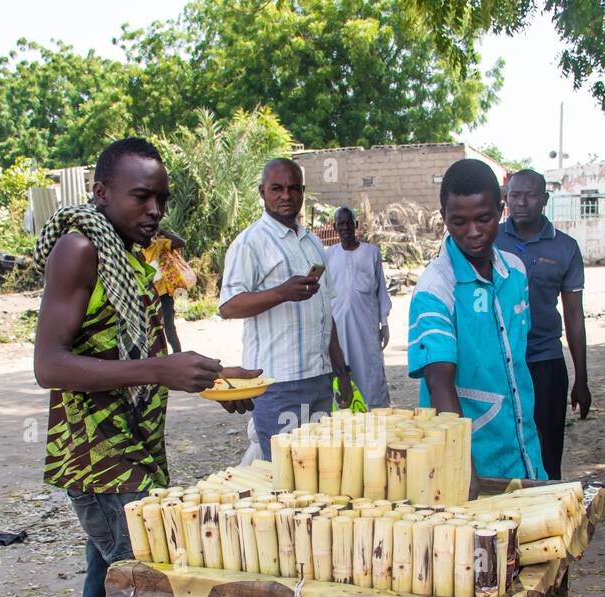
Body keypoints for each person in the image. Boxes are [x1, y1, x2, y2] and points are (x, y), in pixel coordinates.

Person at [26, 137, 264, 597]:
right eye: (141, 195)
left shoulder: (151, 255)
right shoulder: (79, 250)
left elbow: (158, 346)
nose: (156, 207)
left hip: (137, 455)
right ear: (102, 194)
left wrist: (211, 380)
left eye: (162, 195)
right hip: (98, 463)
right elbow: (50, 363)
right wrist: (159, 370)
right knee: (166, 591)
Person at [409, 158, 545, 484]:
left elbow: (518, 360)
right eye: (458, 222)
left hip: (523, 449)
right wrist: (461, 464)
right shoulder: (436, 288)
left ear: (501, 210)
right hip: (472, 462)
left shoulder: (515, 272)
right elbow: (438, 382)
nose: (472, 233)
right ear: (443, 218)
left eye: (483, 219)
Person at [219, 158, 350, 460]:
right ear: (262, 192)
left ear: (303, 191)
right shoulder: (250, 243)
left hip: (318, 378)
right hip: (278, 383)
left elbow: (325, 315)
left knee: (321, 467)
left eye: (293, 188)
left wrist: (341, 372)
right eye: (277, 189)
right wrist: (281, 293)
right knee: (286, 474)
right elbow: (228, 306)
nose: (286, 196)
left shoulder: (313, 243)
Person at [495, 168, 590, 479]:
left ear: (545, 199)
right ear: (505, 198)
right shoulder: (490, 241)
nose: (521, 202)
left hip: (544, 362)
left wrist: (582, 378)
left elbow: (574, 314)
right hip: (497, 362)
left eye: (530, 195)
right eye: (514, 195)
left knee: (547, 454)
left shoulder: (565, 248)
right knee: (501, 450)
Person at [323, 206, 392, 409]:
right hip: (338, 329)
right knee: (342, 370)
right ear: (335, 227)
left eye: (348, 223)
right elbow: (324, 295)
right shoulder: (328, 256)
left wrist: (385, 324)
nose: (345, 228)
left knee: (369, 372)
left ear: (356, 225)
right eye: (340, 224)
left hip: (366, 328)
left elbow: (381, 291)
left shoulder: (371, 253)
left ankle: (372, 413)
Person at [141, 226, 193, 353]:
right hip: (146, 294)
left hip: (164, 294)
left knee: (169, 327)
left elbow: (181, 242)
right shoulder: (136, 251)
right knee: (149, 328)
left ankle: (177, 354)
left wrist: (162, 231)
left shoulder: (159, 245)